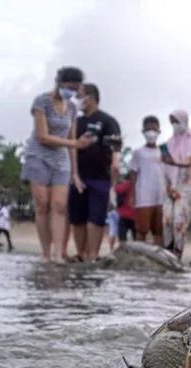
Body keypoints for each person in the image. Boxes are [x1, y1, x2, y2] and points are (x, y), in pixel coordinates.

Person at [21, 66, 93, 262]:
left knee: (60, 206)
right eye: (69, 87)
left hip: (61, 158)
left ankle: (58, 253)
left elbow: (72, 142)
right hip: (38, 156)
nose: (71, 92)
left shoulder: (71, 108)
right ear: (59, 83)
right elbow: (42, 136)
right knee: (42, 204)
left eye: (75, 89)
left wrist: (75, 173)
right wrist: (75, 143)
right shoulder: (41, 101)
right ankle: (46, 253)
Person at [68, 83, 121, 261]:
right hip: (78, 176)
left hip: (100, 176)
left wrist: (115, 166)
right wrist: (72, 173)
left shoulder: (107, 121)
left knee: (95, 217)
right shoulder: (77, 122)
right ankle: (81, 253)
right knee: (78, 217)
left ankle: (92, 254)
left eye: (79, 95)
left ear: (90, 97)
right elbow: (70, 146)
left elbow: (115, 147)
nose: (77, 99)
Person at [162, 110, 191, 259]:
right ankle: (167, 251)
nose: (174, 125)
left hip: (186, 187)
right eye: (172, 122)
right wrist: (167, 187)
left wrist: (174, 162)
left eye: (176, 121)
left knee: (179, 219)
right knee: (167, 219)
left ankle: (178, 253)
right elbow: (165, 166)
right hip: (170, 186)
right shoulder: (170, 142)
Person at [128, 115, 165, 245]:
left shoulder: (163, 151)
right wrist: (132, 194)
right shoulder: (138, 152)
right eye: (148, 129)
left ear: (159, 131)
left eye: (154, 129)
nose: (151, 133)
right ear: (143, 131)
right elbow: (133, 173)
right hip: (144, 195)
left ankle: (159, 256)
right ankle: (139, 256)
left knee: (159, 230)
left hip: (160, 195)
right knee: (142, 229)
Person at [113, 176, 136, 243]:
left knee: (122, 239)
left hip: (124, 215)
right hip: (135, 216)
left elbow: (117, 189)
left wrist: (115, 182)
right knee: (137, 238)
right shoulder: (138, 185)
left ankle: (123, 249)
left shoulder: (127, 184)